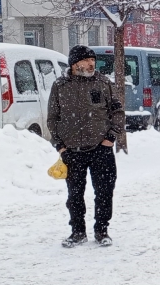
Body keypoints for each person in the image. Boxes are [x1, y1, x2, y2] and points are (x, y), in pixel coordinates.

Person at [47, 45, 124, 248]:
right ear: (75, 64)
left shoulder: (103, 82)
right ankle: (78, 232)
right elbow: (53, 119)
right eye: (87, 60)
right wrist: (60, 146)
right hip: (72, 151)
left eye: (93, 60)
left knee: (104, 191)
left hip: (101, 148)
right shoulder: (61, 86)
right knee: (74, 195)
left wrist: (111, 138)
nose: (92, 64)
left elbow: (117, 112)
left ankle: (102, 231)